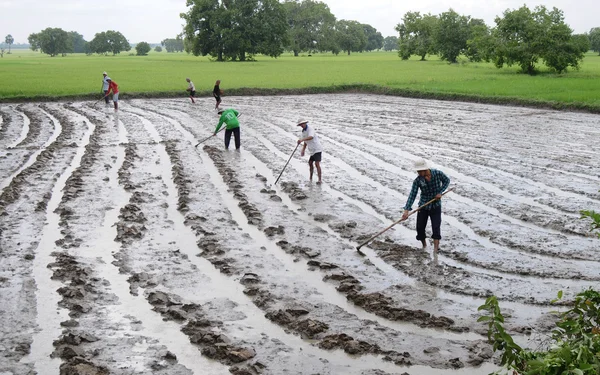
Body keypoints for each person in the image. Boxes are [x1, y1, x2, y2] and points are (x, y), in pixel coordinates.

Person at [401, 159, 450, 253]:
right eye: (417, 171)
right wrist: (406, 211)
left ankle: (436, 250)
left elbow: (446, 181)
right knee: (420, 227)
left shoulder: (437, 173)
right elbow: (412, 195)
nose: (418, 173)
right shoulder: (418, 180)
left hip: (436, 205)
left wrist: (440, 192)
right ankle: (424, 246)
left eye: (420, 171)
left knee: (436, 227)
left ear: (425, 169)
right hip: (423, 206)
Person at [296, 119, 323, 184]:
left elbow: (311, 137)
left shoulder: (310, 129)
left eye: (302, 124)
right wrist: (303, 149)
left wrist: (302, 139)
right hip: (312, 150)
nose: (301, 125)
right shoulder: (303, 132)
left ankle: (319, 180)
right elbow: (305, 142)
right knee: (310, 163)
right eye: (300, 125)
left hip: (317, 148)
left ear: (305, 123)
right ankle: (310, 178)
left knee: (317, 164)